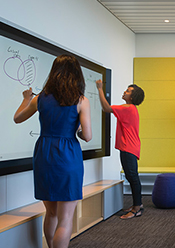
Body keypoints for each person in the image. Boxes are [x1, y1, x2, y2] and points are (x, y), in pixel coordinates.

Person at [14, 54, 92, 248]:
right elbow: (88, 136)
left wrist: (25, 98)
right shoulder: (80, 100)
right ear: (77, 75)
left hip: (44, 153)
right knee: (65, 219)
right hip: (68, 155)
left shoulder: (40, 99)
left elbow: (17, 118)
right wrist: (79, 131)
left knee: (51, 213)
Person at [96, 79, 145, 219]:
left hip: (128, 147)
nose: (125, 92)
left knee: (133, 177)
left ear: (132, 97)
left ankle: (136, 209)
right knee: (132, 176)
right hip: (130, 146)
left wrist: (100, 89)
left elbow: (106, 108)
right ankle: (138, 204)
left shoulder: (128, 108)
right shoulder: (130, 109)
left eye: (128, 91)